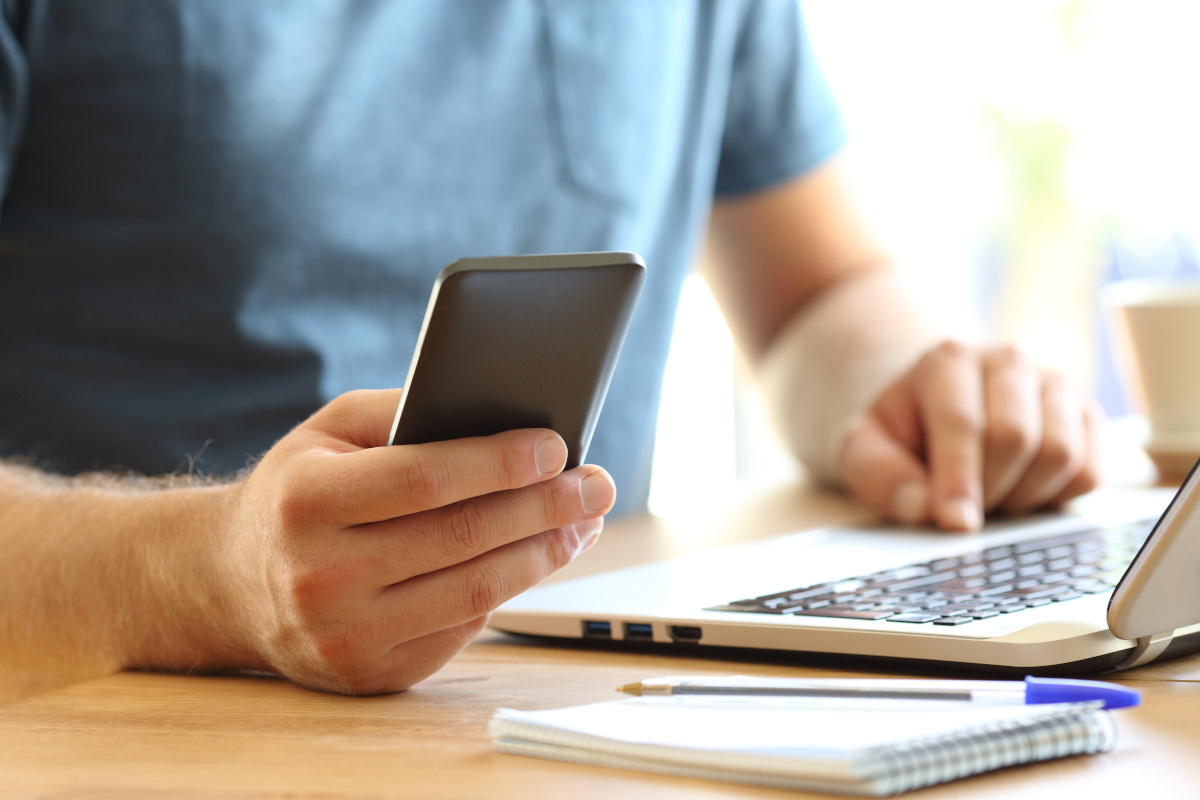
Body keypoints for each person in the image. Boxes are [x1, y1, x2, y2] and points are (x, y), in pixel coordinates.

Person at [0, 1, 1098, 701]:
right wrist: (204, 574)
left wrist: (912, 386)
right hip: (144, 739)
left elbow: (820, 285)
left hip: (578, 718)